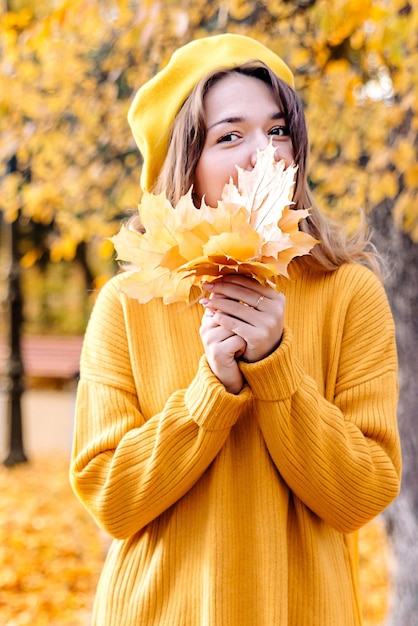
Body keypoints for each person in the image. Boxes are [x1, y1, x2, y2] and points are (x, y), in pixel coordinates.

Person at [70, 33, 402, 625]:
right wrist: (210, 395)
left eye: (278, 131)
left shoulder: (349, 292)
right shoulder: (127, 304)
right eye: (230, 135)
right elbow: (112, 502)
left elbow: (361, 495)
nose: (263, 154)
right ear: (184, 161)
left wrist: (276, 366)